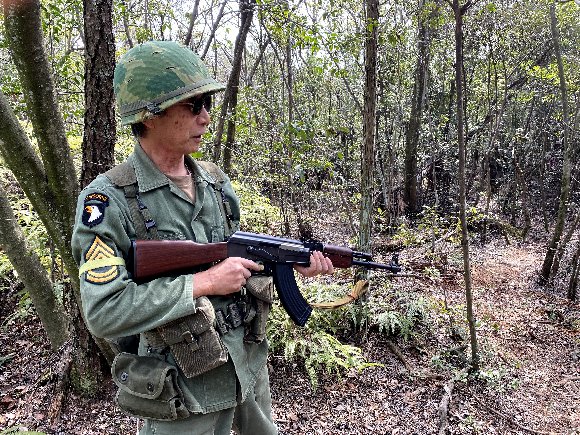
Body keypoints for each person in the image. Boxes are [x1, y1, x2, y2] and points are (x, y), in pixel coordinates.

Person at [71, 40, 333, 435]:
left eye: (207, 104)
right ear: (150, 115)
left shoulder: (215, 182)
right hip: (183, 392)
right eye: (193, 106)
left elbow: (238, 261)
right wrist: (202, 283)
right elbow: (104, 311)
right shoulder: (109, 201)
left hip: (247, 369)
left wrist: (290, 263)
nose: (206, 118)